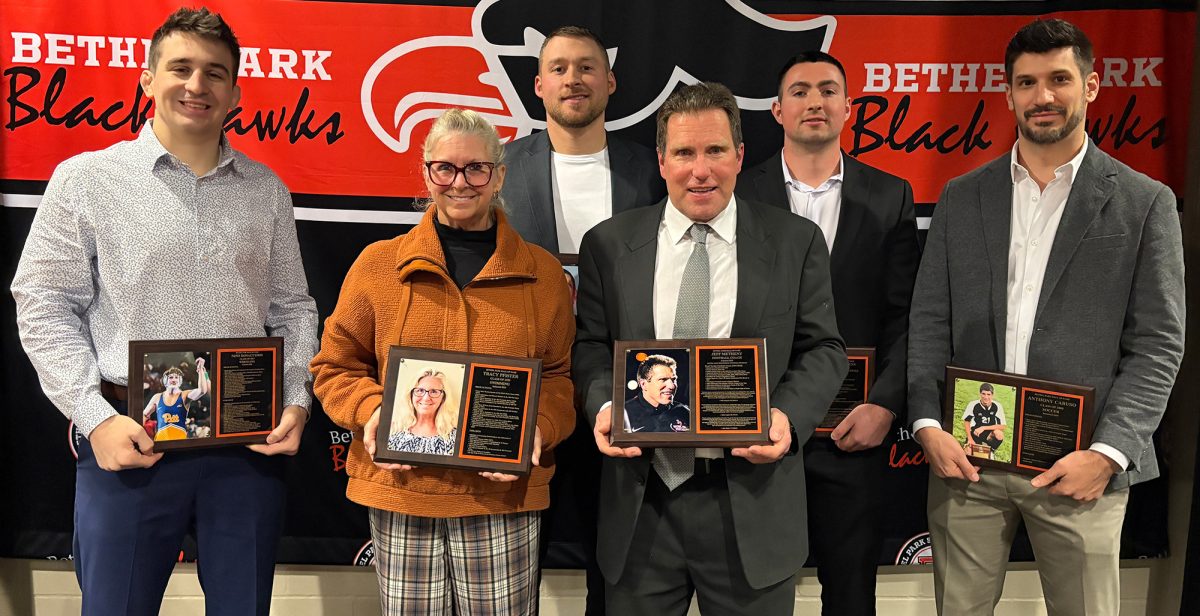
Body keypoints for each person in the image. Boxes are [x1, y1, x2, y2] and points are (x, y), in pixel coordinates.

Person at [10, 7, 319, 615]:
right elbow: (43, 306)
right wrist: (94, 418)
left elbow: (292, 308)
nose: (196, 85)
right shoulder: (86, 179)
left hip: (245, 448)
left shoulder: (267, 190)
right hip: (129, 439)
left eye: (215, 72)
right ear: (148, 79)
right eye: (180, 68)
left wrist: (296, 399)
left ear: (235, 92)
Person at [907, 18, 1184, 615]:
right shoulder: (962, 195)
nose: (1043, 96)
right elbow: (929, 320)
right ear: (1008, 93)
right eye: (1027, 82)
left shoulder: (1145, 202)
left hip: (1079, 466)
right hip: (969, 463)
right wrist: (926, 422)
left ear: (1091, 86)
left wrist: (1108, 454)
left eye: (1059, 79)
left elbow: (1159, 345)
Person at [573, 82, 846, 614]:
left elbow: (824, 348)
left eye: (716, 150)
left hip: (752, 501)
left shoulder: (794, 241)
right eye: (684, 153)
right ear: (661, 161)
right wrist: (605, 406)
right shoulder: (608, 244)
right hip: (642, 504)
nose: (701, 171)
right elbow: (590, 347)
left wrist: (787, 418)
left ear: (740, 155)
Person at [310, 108, 576, 615]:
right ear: (426, 172)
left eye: (476, 168)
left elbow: (560, 378)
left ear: (499, 175)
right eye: (445, 168)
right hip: (403, 492)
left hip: (502, 500)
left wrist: (538, 428)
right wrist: (373, 413)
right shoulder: (378, 265)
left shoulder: (542, 274)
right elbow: (335, 365)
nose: (460, 182)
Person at [736, 50, 920, 615]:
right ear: (777, 110)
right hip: (759, 425)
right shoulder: (737, 193)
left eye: (827, 90)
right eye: (799, 91)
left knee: (850, 594)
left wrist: (885, 405)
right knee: (754, 592)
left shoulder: (890, 195)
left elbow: (906, 314)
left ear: (848, 106)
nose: (814, 101)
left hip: (852, 430)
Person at [503, 25, 666, 254]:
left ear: (610, 82)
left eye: (586, 68)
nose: (572, 80)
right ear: (539, 86)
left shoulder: (654, 171)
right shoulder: (500, 168)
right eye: (559, 69)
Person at [387, 368, 458, 456]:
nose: (426, 398)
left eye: (434, 391)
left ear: (443, 398)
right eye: (420, 390)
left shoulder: (455, 437)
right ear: (411, 395)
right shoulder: (393, 430)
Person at [144, 358, 210, 441]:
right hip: (161, 442)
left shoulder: (184, 395)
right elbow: (144, 415)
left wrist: (200, 369)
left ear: (180, 381)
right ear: (165, 380)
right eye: (171, 377)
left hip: (180, 442)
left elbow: (202, 391)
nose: (174, 380)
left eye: (176, 377)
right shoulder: (157, 397)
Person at [623, 355, 689, 433]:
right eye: (663, 379)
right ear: (643, 384)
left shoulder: (684, 412)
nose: (672, 386)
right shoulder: (624, 412)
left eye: (673, 380)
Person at [961, 383, 1005, 454]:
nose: (986, 397)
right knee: (968, 452)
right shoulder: (973, 404)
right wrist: (970, 438)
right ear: (980, 394)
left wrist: (983, 428)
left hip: (989, 434)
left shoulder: (997, 406)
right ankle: (975, 444)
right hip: (976, 432)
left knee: (999, 434)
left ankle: (991, 449)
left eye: (988, 394)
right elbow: (967, 421)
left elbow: (1002, 426)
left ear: (992, 395)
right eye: (983, 394)